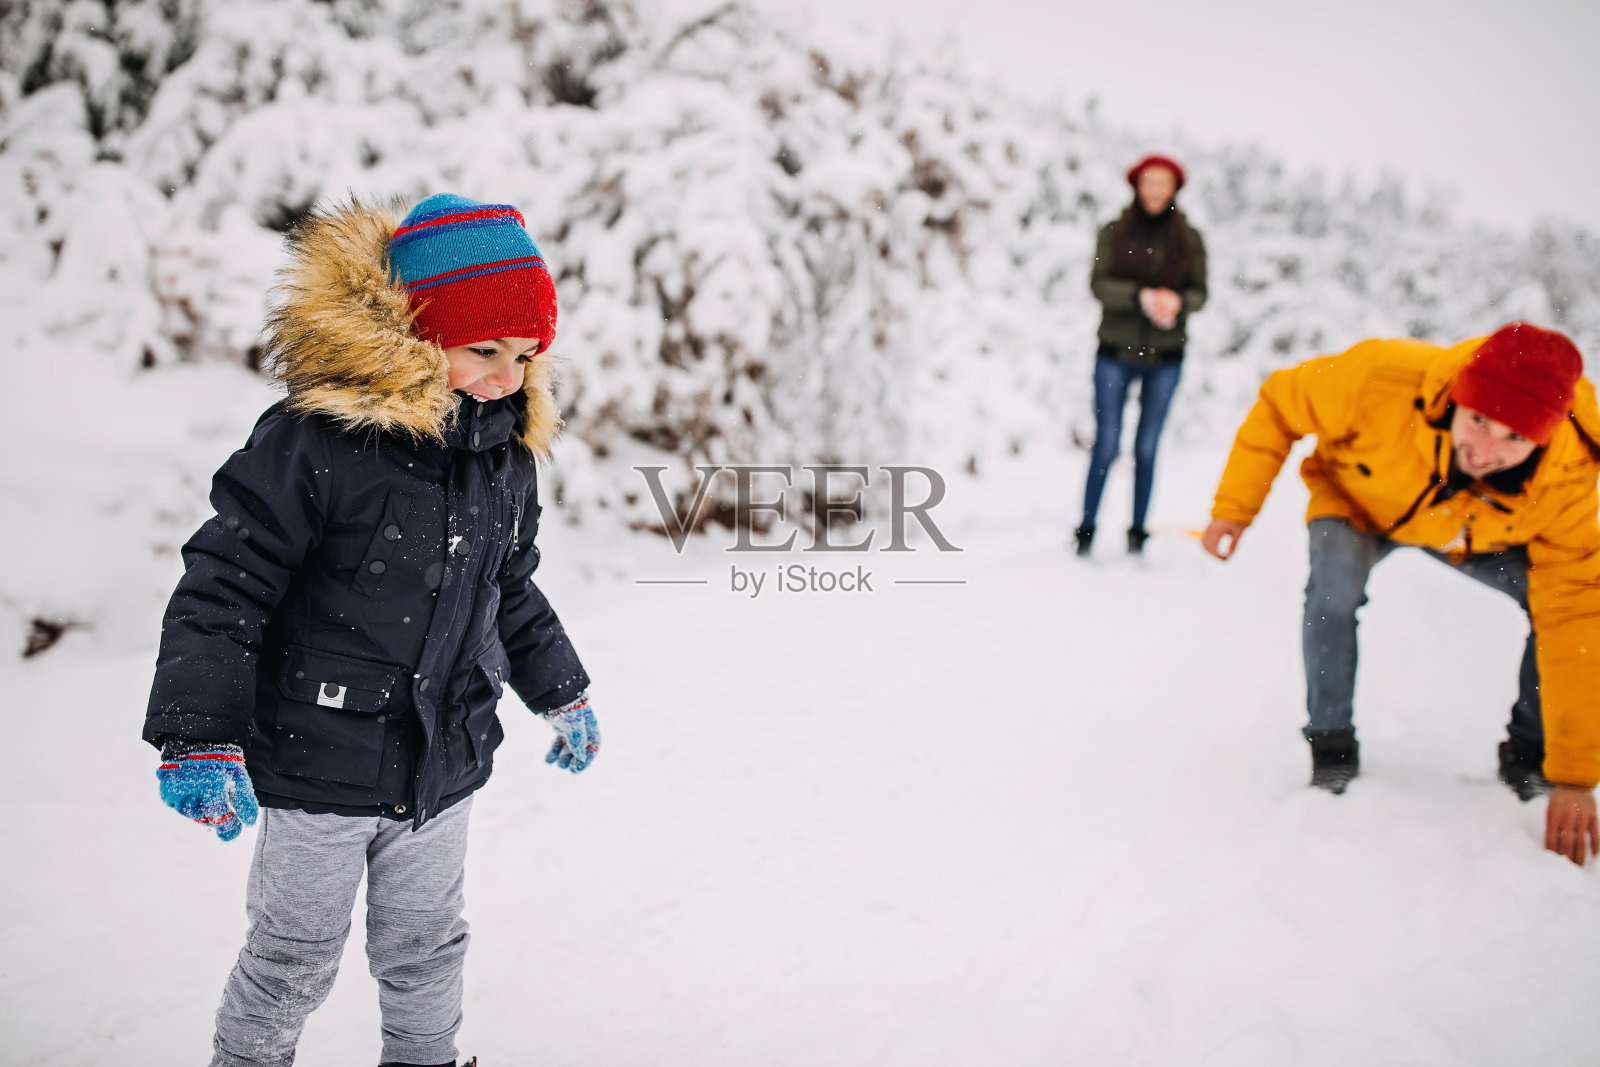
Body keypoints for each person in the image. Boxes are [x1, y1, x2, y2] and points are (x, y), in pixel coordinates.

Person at [143, 193, 598, 1067]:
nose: (507, 377)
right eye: (485, 350)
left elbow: (510, 588)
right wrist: (199, 730)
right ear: (418, 331)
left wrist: (561, 689)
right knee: (293, 956)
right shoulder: (318, 441)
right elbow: (225, 583)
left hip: (444, 760)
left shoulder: (504, 458)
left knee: (427, 946)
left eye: (525, 354)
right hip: (318, 756)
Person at [1201, 322, 1600, 865]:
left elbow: (1575, 616)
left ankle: (1530, 753)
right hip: (1359, 504)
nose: (1484, 451)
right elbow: (1279, 403)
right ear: (1459, 397)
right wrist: (1233, 508)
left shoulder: (1566, 476)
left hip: (1475, 535)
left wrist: (1574, 775)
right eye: (1479, 420)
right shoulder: (1380, 378)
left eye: (1515, 438)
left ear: (1545, 438)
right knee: (1333, 594)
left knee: (1556, 608)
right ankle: (1331, 745)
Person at [1075, 153, 1208, 556]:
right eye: (1149, 181)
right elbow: (1098, 285)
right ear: (1136, 185)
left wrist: (1178, 302)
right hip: (1114, 353)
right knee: (1106, 443)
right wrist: (1140, 296)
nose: (1155, 190)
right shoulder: (1114, 232)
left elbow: (1200, 294)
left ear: (1174, 188)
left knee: (1147, 448)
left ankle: (1137, 533)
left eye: (1162, 182)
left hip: (1166, 358)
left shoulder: (1190, 239)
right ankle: (1086, 531)